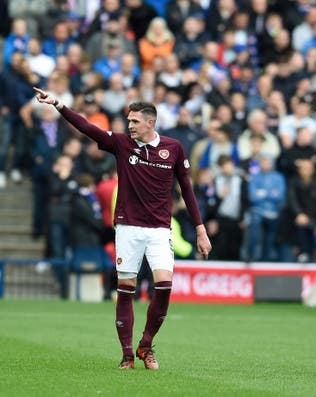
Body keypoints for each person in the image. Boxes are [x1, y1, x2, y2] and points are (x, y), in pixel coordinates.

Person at [34, 87, 212, 370]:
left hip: (159, 230)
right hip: (128, 228)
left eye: (134, 121)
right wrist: (58, 104)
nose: (129, 126)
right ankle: (127, 354)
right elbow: (87, 128)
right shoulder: (121, 144)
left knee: (164, 286)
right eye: (128, 121)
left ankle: (146, 345)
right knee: (126, 289)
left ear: (150, 123)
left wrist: (200, 229)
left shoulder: (174, 148)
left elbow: (187, 190)